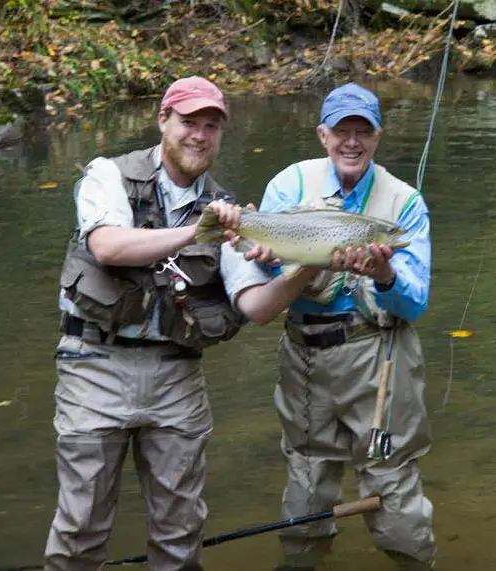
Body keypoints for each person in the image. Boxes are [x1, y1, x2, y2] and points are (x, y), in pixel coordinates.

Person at [43, 76, 308, 571]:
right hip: (93, 364)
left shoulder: (228, 207)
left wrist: (312, 267)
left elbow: (257, 308)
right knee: (81, 525)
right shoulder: (108, 175)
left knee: (180, 530)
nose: (199, 135)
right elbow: (108, 246)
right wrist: (197, 231)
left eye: (211, 126)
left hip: (177, 376)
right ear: (162, 120)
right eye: (189, 122)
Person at [234, 83, 435, 571]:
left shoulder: (405, 203)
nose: (352, 142)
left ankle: (414, 562)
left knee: (392, 480)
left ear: (378, 137)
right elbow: (259, 278)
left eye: (362, 132)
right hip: (303, 357)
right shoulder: (288, 186)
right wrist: (265, 258)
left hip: (380, 360)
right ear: (322, 135)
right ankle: (301, 561)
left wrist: (385, 273)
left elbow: (415, 303)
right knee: (306, 479)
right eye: (341, 131)